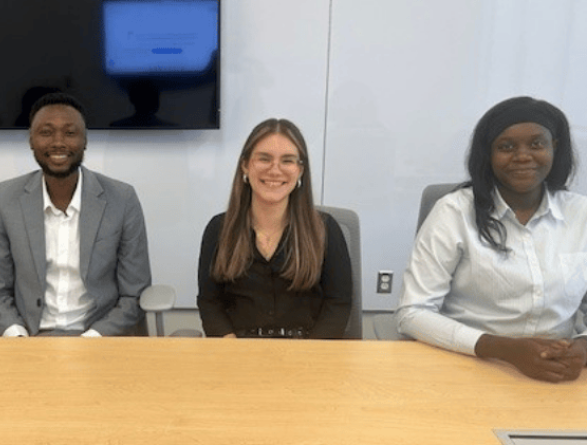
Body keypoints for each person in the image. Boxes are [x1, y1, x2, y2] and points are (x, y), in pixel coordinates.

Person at [396, 96, 587, 382]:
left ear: (554, 148)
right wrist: (503, 349)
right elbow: (412, 313)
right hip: (468, 365)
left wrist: (583, 347)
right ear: (488, 154)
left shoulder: (581, 214)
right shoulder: (454, 212)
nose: (523, 156)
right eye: (506, 146)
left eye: (536, 144)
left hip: (560, 373)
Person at [0, 92, 152, 337]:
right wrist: (15, 334)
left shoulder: (122, 199)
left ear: (85, 141)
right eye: (46, 132)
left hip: (100, 337)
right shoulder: (5, 198)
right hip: (28, 337)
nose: (58, 142)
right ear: (31, 140)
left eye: (70, 133)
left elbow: (134, 293)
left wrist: (92, 339)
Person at [197, 118, 353, 339]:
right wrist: (230, 348)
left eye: (287, 161)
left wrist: (309, 357)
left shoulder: (325, 230)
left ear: (300, 170)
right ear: (245, 165)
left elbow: (338, 304)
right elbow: (209, 302)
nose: (275, 170)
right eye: (264, 159)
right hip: (238, 353)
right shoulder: (219, 229)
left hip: (308, 353)